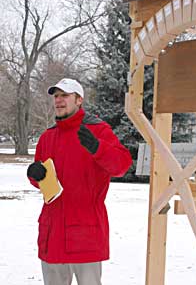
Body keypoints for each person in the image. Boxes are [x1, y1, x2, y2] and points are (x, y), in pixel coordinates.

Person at [27, 78, 132, 285]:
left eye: (64, 95)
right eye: (56, 96)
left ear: (79, 100)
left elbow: (122, 165)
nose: (58, 100)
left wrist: (97, 148)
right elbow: (43, 180)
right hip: (52, 231)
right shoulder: (47, 137)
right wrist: (34, 174)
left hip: (85, 231)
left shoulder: (98, 130)